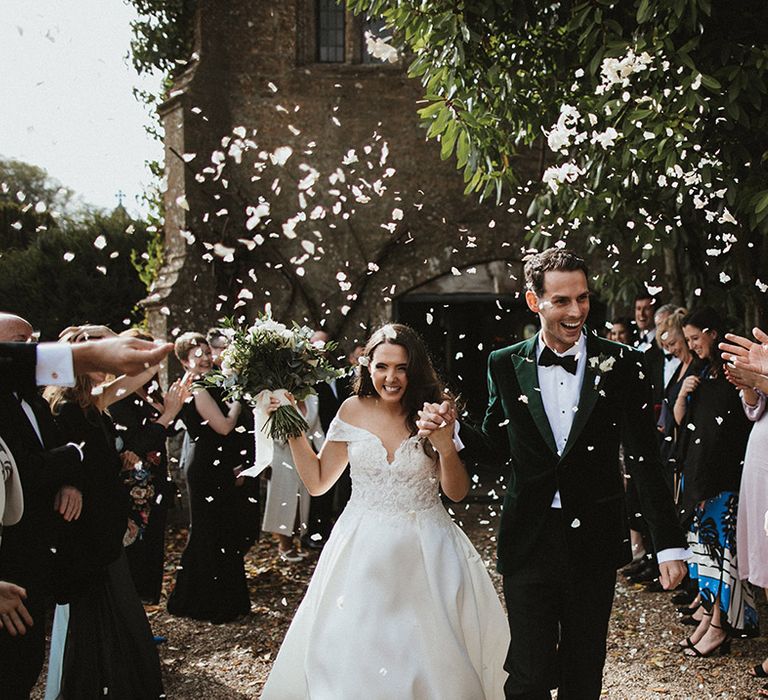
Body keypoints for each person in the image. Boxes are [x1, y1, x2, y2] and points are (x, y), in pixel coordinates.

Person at [419, 248, 687, 700]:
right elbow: (496, 445)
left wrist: (668, 544)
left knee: (584, 670)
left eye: (582, 298)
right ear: (533, 301)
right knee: (529, 673)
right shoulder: (504, 364)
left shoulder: (622, 363)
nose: (576, 311)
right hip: (530, 537)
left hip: (595, 538)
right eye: (561, 300)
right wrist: (454, 432)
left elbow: (646, 458)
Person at [261, 323, 509, 699]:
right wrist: (292, 424)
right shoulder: (351, 409)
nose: (391, 378)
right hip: (361, 548)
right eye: (382, 367)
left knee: (430, 652)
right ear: (367, 366)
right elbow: (317, 482)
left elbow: (456, 493)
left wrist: (444, 445)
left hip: (427, 550)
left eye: (401, 368)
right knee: (356, 650)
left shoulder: (435, 409)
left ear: (415, 369)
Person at [44, 325, 164, 699]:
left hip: (105, 520)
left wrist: (133, 344)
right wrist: (70, 483)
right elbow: (54, 460)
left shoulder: (95, 401)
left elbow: (138, 374)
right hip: (83, 526)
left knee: (118, 605)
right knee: (92, 608)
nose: (104, 359)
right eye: (95, 352)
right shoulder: (62, 408)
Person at [0, 313, 85, 700]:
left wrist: (70, 480)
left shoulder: (31, 397)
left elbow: (52, 449)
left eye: (34, 339)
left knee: (29, 660)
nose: (31, 349)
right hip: (8, 558)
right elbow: (28, 468)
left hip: (37, 549)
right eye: (20, 342)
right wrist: (73, 455)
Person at [674, 307, 757, 657]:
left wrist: (711, 484)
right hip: (700, 476)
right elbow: (683, 424)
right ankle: (709, 619)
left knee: (722, 555)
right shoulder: (702, 370)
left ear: (712, 332)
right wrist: (683, 392)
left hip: (724, 479)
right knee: (704, 555)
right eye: (688, 340)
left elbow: (734, 433)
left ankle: (720, 627)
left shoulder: (734, 370)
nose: (692, 346)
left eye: (695, 338)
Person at [166, 332, 252, 623]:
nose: (204, 357)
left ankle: (226, 599)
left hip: (220, 464)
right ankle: (205, 602)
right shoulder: (197, 387)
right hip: (204, 468)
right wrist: (240, 397)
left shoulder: (213, 381)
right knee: (209, 532)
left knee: (224, 530)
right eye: (196, 354)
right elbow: (225, 426)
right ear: (183, 360)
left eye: (206, 352)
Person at [110, 328, 190, 604]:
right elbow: (131, 443)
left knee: (152, 551)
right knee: (133, 552)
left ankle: (142, 624)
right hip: (132, 485)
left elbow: (161, 432)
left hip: (153, 480)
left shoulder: (152, 390)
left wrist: (170, 411)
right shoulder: (118, 394)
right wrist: (167, 414)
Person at [0, 335, 173, 395]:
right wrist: (91, 355)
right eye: (22, 341)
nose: (30, 344)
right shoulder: (67, 406)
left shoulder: (93, 400)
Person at [262, 394, 323, 561]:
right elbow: (273, 433)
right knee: (285, 501)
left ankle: (296, 541)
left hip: (307, 458)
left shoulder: (311, 398)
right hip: (283, 456)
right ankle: (284, 545)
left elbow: (316, 429)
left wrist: (325, 455)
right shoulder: (278, 398)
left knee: (302, 502)